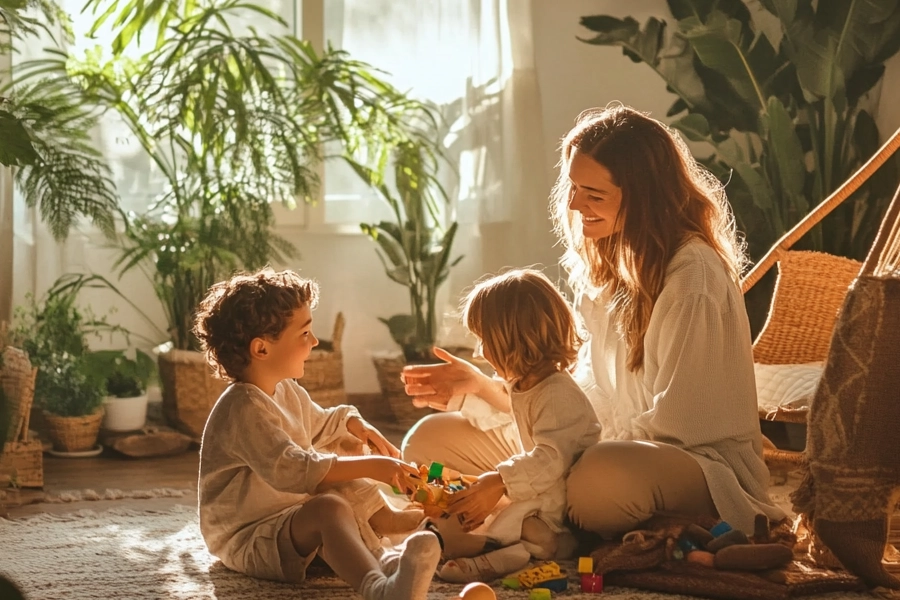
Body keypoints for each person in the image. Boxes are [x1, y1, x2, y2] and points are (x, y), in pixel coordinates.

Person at [401, 103, 785, 540]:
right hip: (597, 448)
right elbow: (577, 403)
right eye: (573, 186)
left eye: (594, 194)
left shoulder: (691, 276)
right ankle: (529, 514)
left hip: (691, 466)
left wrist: (562, 460)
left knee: (596, 482)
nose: (574, 203)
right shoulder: (604, 265)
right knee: (428, 442)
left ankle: (538, 514)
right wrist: (490, 389)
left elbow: (681, 428)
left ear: (645, 198)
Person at [193, 268, 440, 600]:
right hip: (250, 535)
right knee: (328, 505)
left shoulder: (285, 390)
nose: (314, 341)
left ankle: (387, 546)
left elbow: (322, 424)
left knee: (341, 456)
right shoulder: (243, 408)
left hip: (289, 516)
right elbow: (294, 469)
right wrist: (374, 466)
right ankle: (378, 588)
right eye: (305, 333)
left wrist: (356, 425)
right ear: (262, 349)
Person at [431, 269, 601, 583]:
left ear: (513, 339)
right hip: (538, 503)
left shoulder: (557, 393)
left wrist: (499, 481)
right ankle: (492, 551)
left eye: (484, 340)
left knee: (505, 518)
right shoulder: (526, 384)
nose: (480, 351)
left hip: (558, 519)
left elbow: (551, 459)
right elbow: (506, 416)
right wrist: (458, 400)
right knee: (482, 507)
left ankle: (484, 559)